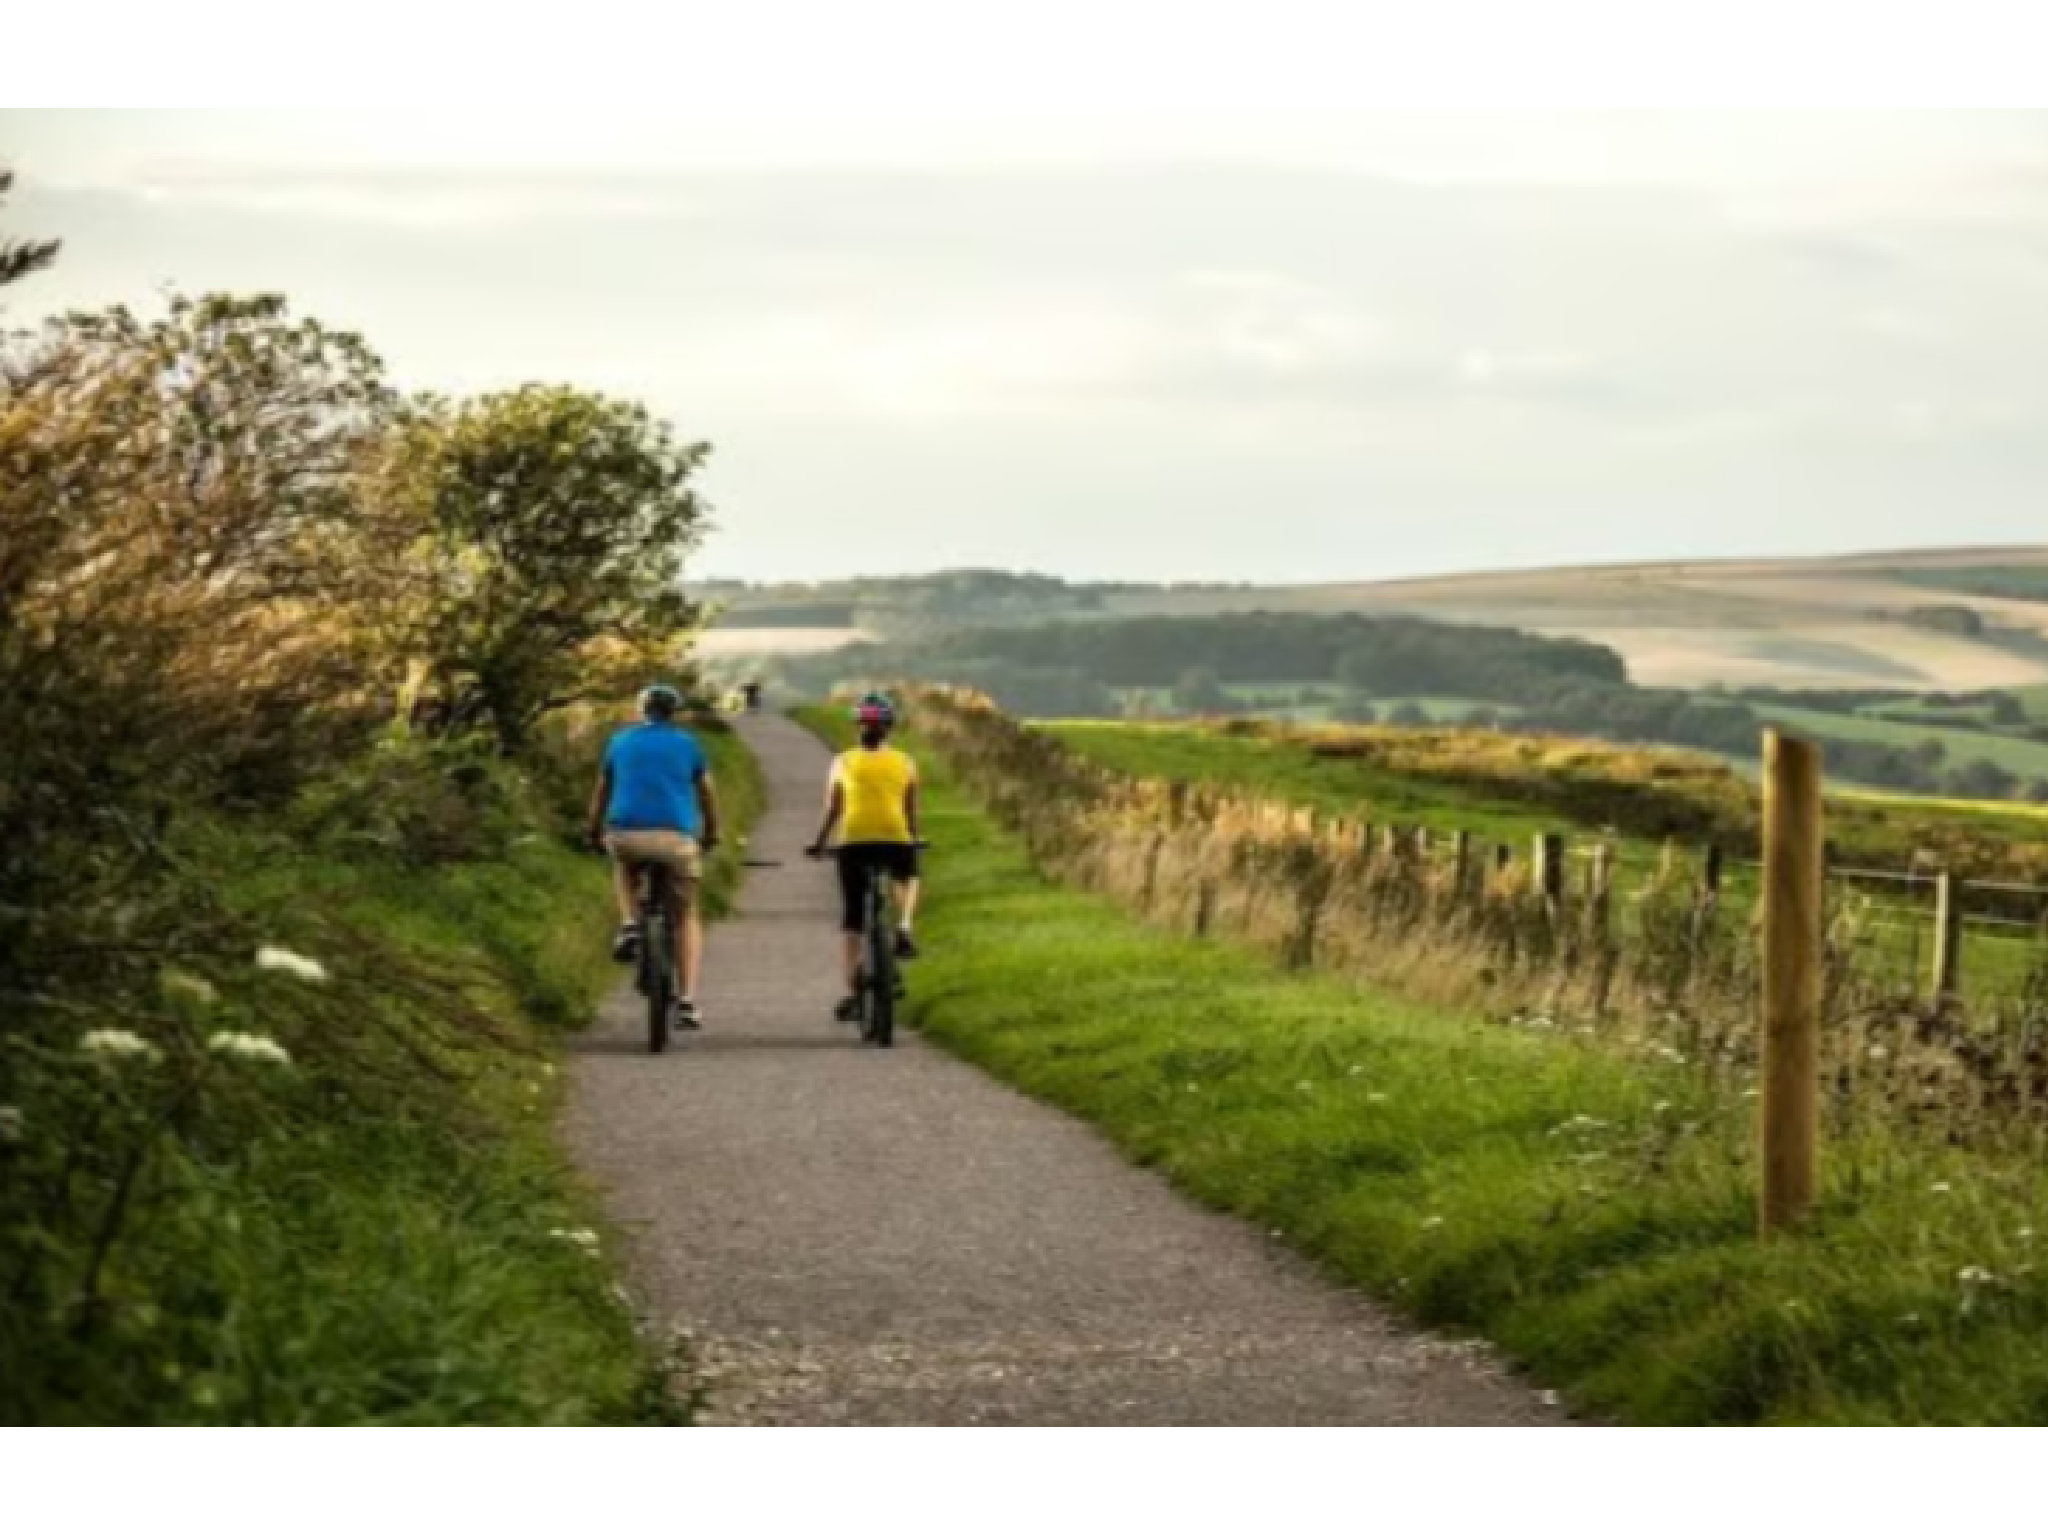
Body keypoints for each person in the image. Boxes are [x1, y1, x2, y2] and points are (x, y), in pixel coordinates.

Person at [588, 685, 722, 1032]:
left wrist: (593, 830)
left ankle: (631, 923)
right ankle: (688, 1002)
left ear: (641, 710)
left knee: (622, 862)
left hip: (627, 835)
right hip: (677, 839)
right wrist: (711, 833)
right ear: (673, 713)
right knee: (686, 914)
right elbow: (706, 793)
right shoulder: (688, 744)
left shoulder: (620, 741)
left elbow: (603, 789)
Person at [806, 693, 924, 1025]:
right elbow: (909, 809)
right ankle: (903, 925)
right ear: (889, 729)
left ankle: (850, 993)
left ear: (858, 728)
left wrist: (818, 844)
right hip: (894, 837)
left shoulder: (842, 762)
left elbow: (834, 808)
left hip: (854, 841)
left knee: (853, 922)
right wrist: (913, 839)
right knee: (908, 876)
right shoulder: (906, 762)